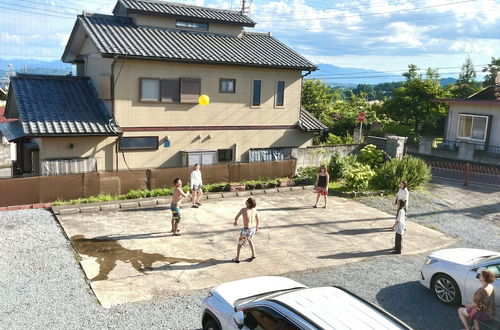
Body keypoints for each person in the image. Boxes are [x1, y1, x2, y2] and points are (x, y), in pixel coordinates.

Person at [232, 197, 260, 263]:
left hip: (246, 230)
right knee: (250, 240)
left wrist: (235, 221)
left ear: (248, 203)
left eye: (247, 201)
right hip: (253, 229)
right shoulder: (254, 210)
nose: (246, 201)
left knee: (240, 244)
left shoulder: (243, 210)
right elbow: (258, 220)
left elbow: (236, 217)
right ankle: (253, 254)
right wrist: (257, 227)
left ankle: (237, 258)